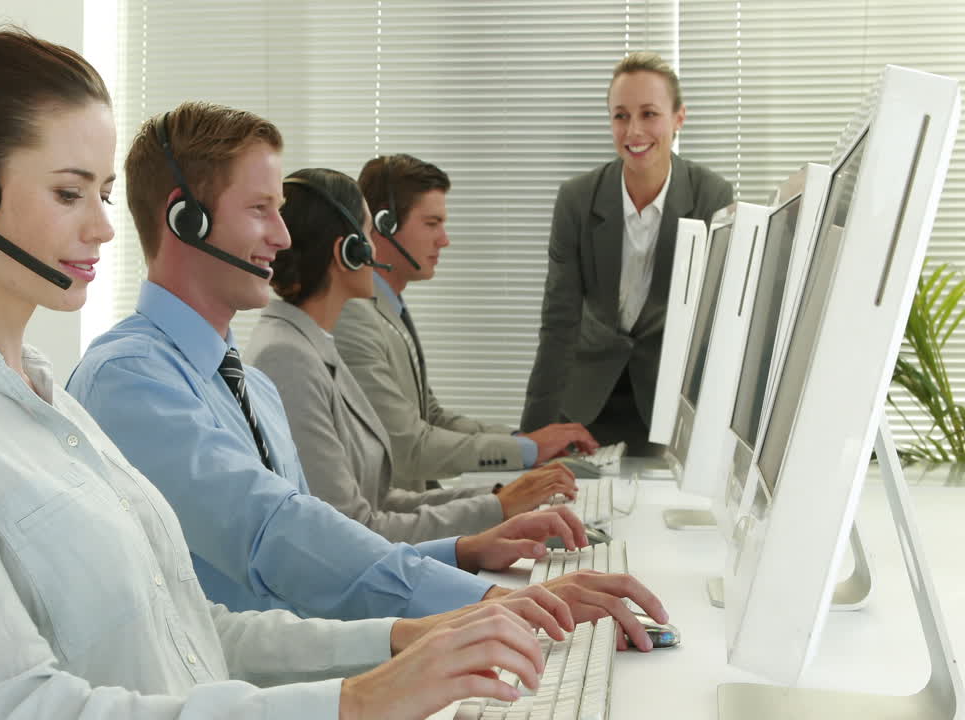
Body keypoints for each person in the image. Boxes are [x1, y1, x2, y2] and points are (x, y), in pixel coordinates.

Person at [0, 29, 613, 720]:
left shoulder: (47, 398)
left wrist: (410, 637)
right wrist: (360, 699)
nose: (103, 226)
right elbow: (13, 705)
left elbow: (195, 629)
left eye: (102, 193)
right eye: (70, 193)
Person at [66, 101, 666, 641]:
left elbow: (323, 551)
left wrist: (461, 552)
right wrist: (487, 599)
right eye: (260, 210)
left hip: (302, 670)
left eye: (280, 212)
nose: (281, 235)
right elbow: (279, 539)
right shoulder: (131, 380)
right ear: (185, 221)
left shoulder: (255, 388)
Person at [247, 167, 580, 543]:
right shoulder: (287, 356)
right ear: (348, 251)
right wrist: (498, 508)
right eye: (367, 235)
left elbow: (376, 499)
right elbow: (350, 530)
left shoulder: (313, 342)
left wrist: (500, 498)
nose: (373, 249)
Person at [333, 155, 598, 494]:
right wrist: (527, 451)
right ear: (384, 225)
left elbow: (432, 418)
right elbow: (409, 447)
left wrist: (522, 440)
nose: (444, 239)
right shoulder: (355, 318)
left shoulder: (390, 310)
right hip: (392, 524)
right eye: (432, 223)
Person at [520, 51, 734, 453]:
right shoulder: (577, 199)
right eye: (620, 116)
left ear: (679, 118)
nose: (634, 131)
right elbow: (559, 322)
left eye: (649, 113)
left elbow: (713, 323)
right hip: (586, 397)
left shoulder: (711, 195)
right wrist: (533, 437)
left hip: (663, 399)